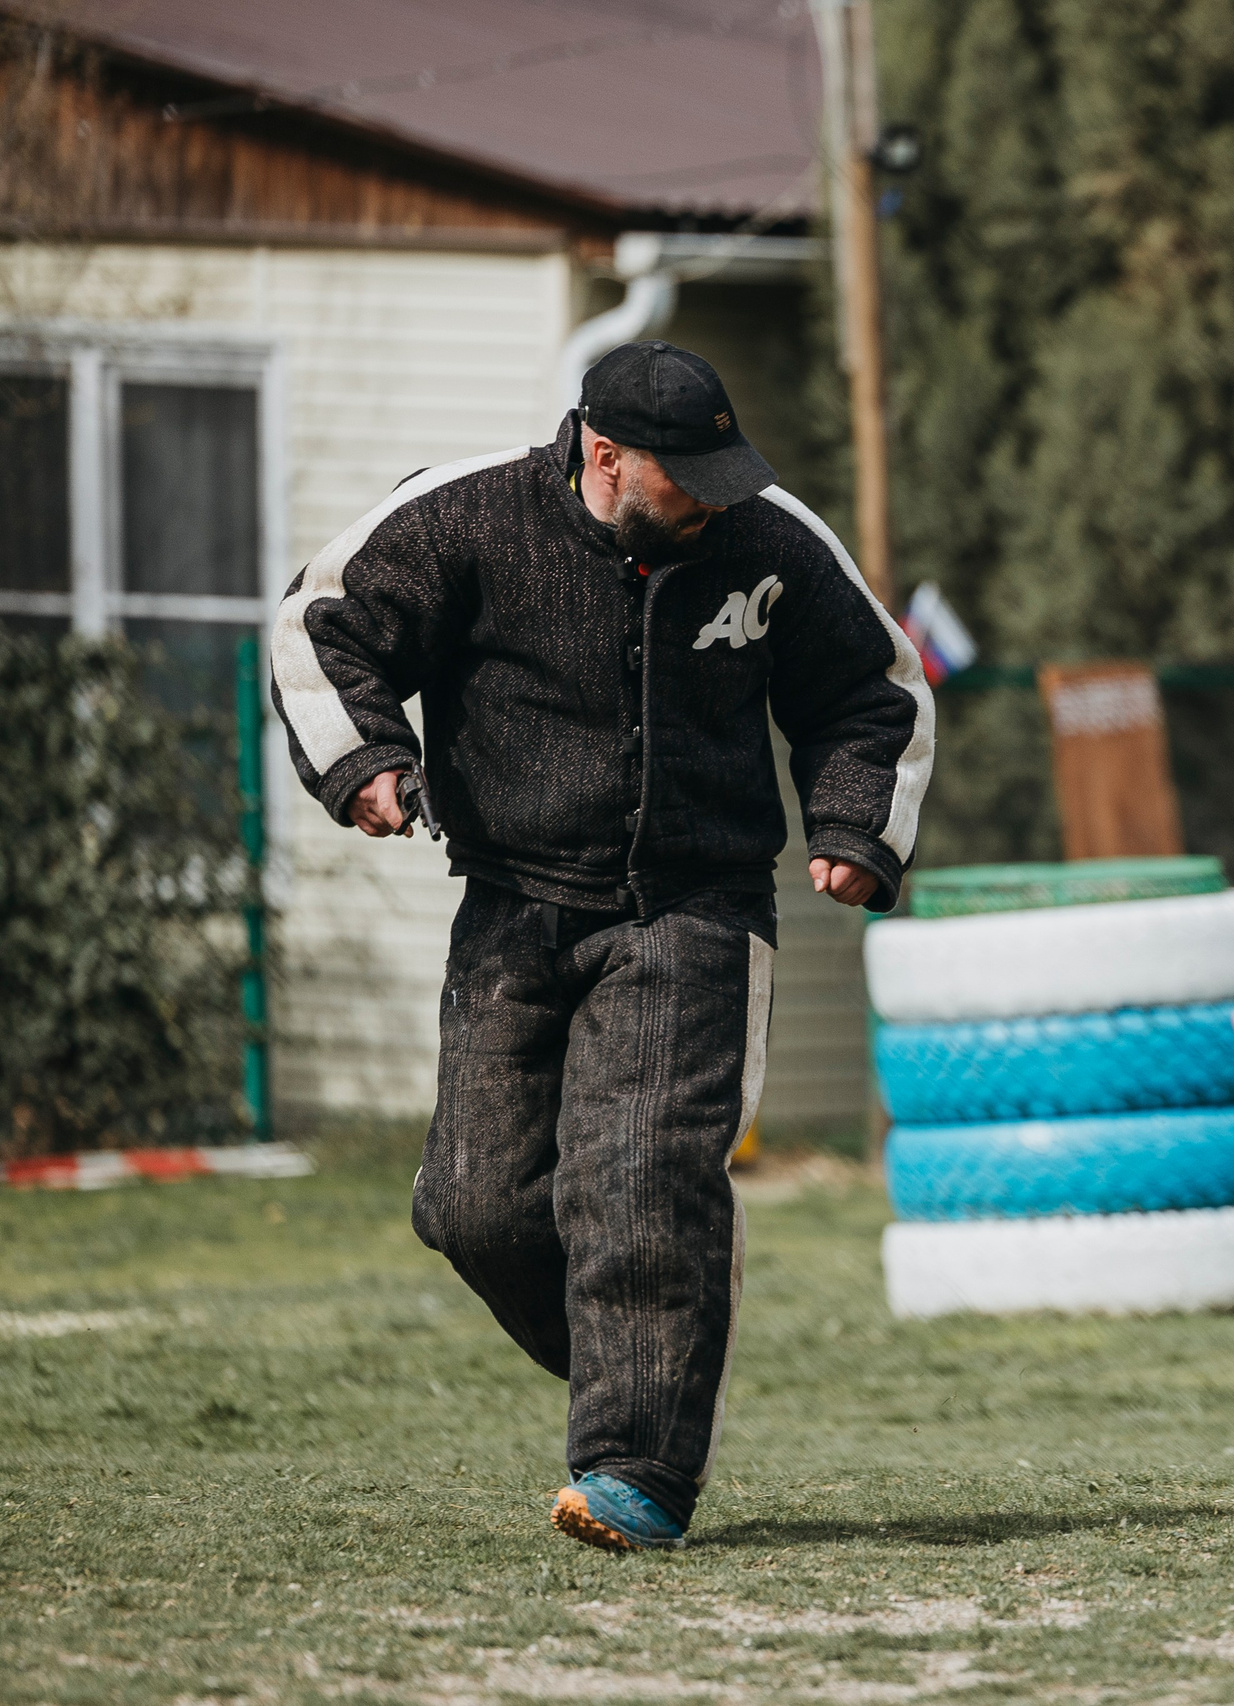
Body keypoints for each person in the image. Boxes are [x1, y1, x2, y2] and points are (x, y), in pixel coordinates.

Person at [269, 340, 933, 1552]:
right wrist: (363, 760)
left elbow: (875, 687)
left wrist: (856, 826)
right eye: (690, 479)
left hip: (696, 909)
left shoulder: (770, 538)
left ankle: (638, 1465)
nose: (717, 499)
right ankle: (652, 1359)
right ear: (605, 452)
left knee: (640, 1179)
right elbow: (318, 628)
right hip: (511, 904)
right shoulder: (466, 518)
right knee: (474, 1206)